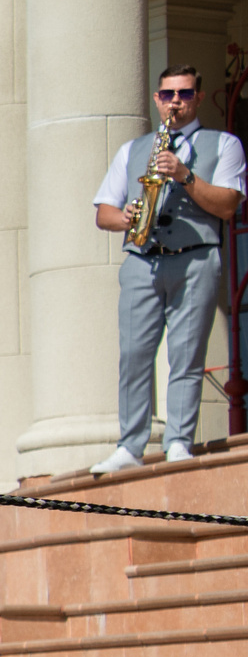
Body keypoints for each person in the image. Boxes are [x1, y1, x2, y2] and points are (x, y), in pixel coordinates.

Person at [90, 63, 245, 475]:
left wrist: (185, 175)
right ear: (157, 98)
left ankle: (178, 441)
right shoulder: (133, 149)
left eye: (185, 94)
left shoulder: (223, 144)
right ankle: (130, 445)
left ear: (197, 96)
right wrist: (125, 218)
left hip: (196, 256)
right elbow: (102, 212)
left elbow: (228, 206)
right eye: (168, 94)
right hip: (142, 258)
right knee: (134, 355)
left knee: (186, 355)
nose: (175, 102)